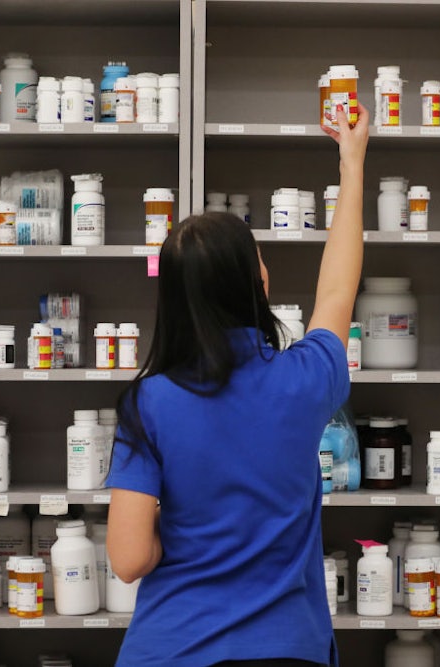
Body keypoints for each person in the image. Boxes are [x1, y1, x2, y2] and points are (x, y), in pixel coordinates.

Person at [105, 101, 370, 667]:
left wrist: (179, 536)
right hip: (286, 649)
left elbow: (128, 559)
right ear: (257, 282)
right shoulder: (305, 379)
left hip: (170, 648)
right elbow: (336, 292)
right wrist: (352, 162)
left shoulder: (147, 403)